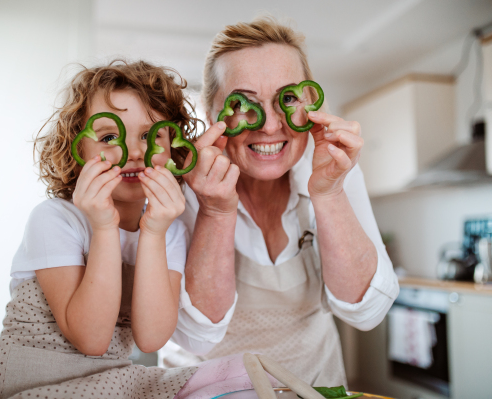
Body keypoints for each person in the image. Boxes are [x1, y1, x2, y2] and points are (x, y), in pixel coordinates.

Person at [0, 59, 286, 399]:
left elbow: (151, 338)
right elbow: (91, 339)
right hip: (36, 380)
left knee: (245, 381)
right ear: (78, 150)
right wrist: (104, 227)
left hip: (108, 380)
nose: (134, 151)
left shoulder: (169, 231)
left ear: (174, 150)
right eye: (109, 136)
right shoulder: (55, 219)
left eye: (152, 136)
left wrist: (153, 232)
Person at [166, 16, 400, 387]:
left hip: (316, 387)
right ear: (212, 116)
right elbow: (197, 334)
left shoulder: (336, 169)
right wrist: (215, 210)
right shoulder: (179, 189)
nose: (270, 125)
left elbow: (367, 313)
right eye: (244, 103)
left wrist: (329, 192)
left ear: (309, 105)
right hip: (208, 392)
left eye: (287, 98)